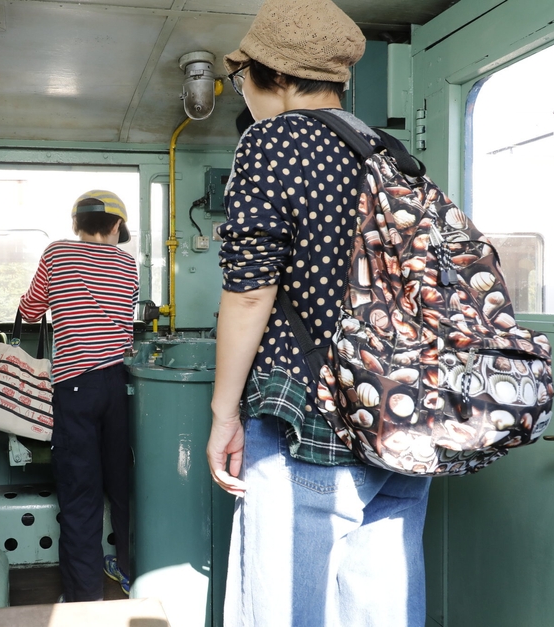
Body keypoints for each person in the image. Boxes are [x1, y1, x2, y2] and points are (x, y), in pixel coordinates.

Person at [205, 1, 431, 626]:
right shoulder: (388, 152)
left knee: (285, 607)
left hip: (310, 416)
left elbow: (251, 292)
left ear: (272, 75)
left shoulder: (273, 139)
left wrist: (225, 415)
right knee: (382, 606)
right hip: (400, 411)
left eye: (240, 78)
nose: (242, 92)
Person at [18, 190, 139, 602]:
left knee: (81, 494)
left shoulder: (56, 253)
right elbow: (127, 320)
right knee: (122, 485)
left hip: (74, 389)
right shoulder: (129, 263)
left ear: (75, 225)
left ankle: (85, 598)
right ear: (117, 227)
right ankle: (127, 570)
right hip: (117, 385)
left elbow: (32, 310)